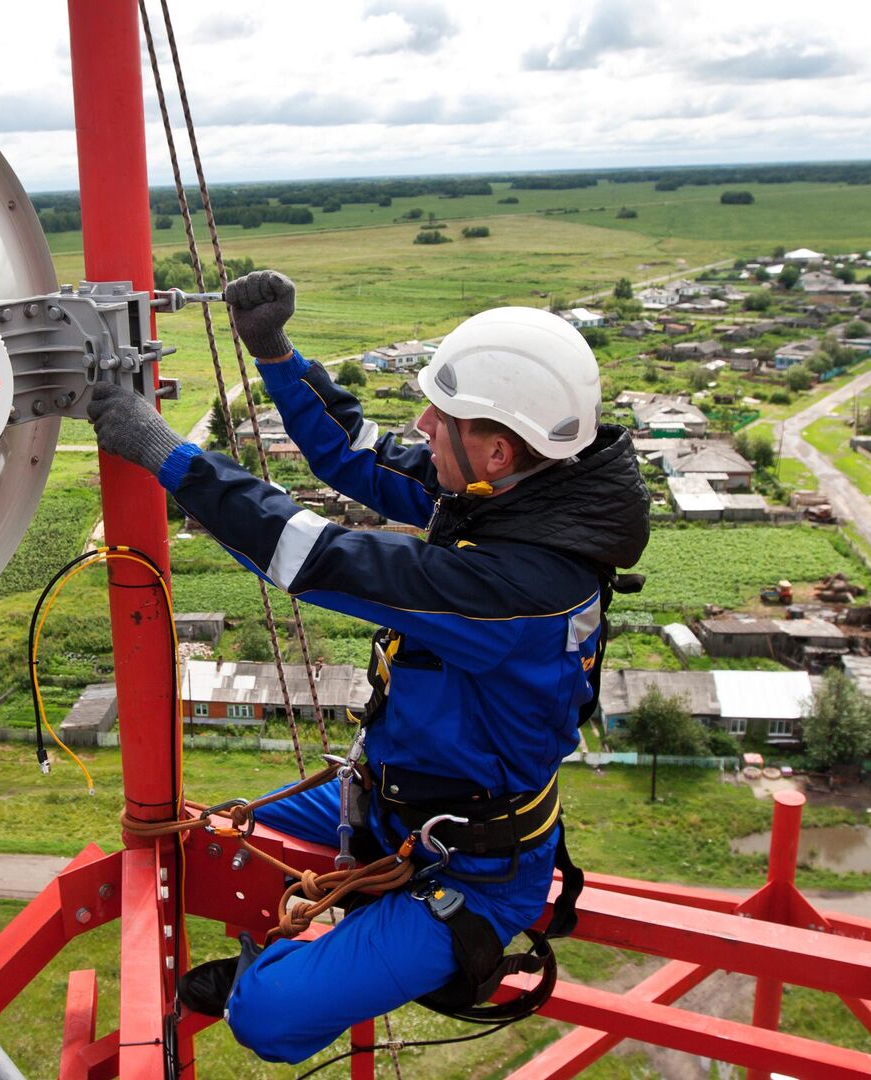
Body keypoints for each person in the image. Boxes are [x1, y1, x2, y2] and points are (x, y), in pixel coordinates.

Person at [84, 270, 649, 1064]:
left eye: (441, 418)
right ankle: (314, 950)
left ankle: (279, 972)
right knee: (208, 843)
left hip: (475, 864)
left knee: (270, 1020)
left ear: (496, 447)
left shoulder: (524, 588)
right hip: (391, 802)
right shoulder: (513, 495)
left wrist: (165, 455)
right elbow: (358, 458)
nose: (422, 425)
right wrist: (276, 354)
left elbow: (316, 555)